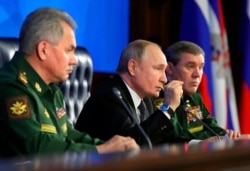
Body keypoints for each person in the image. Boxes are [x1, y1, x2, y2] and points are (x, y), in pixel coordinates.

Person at [0, 7, 139, 159]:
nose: (74, 60)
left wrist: (109, 146)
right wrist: (101, 151)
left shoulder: (52, 89)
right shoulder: (11, 87)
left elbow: (68, 134)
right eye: (69, 50)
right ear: (43, 50)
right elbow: (36, 146)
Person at [75, 39, 184, 147]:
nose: (164, 79)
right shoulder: (110, 97)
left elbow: (157, 139)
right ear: (133, 67)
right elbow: (132, 144)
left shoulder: (145, 97)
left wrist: (196, 143)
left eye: (164, 71)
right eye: (158, 69)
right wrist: (168, 108)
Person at [155, 40, 248, 143]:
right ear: (170, 69)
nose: (197, 74)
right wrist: (206, 139)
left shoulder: (195, 97)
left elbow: (211, 126)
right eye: (190, 66)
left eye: (201, 67)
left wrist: (225, 135)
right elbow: (175, 138)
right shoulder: (157, 98)